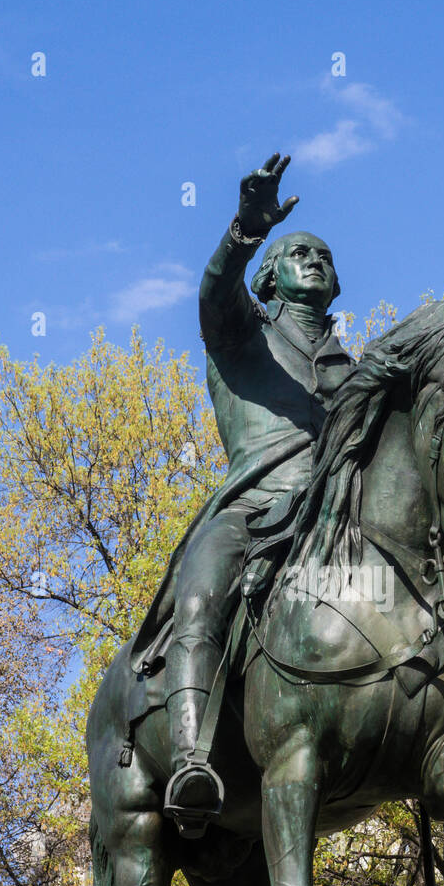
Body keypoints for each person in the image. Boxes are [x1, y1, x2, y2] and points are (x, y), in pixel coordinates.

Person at [130, 154, 354, 836]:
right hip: (255, 508)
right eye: (297, 253)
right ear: (269, 275)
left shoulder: (362, 370)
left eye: (322, 254)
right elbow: (212, 292)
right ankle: (195, 758)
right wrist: (246, 231)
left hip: (336, 516)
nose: (312, 259)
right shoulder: (240, 334)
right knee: (200, 600)